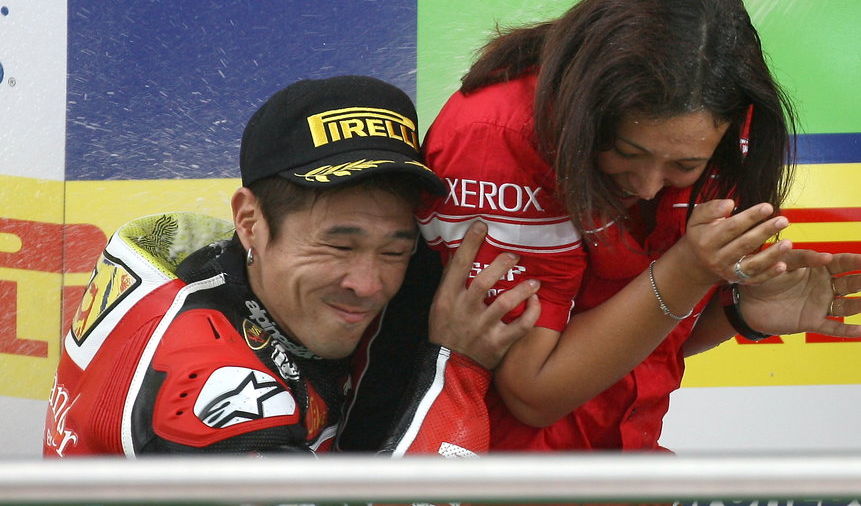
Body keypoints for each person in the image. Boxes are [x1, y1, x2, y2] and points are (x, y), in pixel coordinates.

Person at [415, 0, 861, 451]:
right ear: (590, 107)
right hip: (487, 477)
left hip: (626, 468)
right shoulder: (499, 137)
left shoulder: (723, 126)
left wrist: (740, 314)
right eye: (627, 152)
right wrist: (687, 271)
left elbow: (641, 344)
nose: (647, 185)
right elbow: (531, 392)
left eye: (684, 165)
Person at [44, 75, 541, 456]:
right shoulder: (212, 389)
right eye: (338, 246)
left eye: (394, 251)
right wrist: (457, 367)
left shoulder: (212, 271)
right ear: (249, 221)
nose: (369, 285)